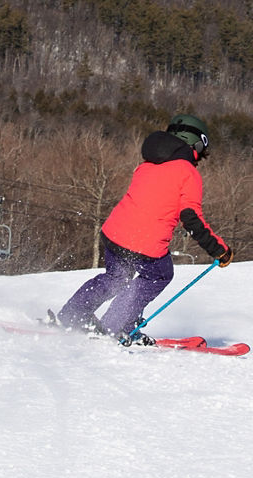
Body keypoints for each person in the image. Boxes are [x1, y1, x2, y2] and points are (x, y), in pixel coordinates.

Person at [55, 114, 231, 339]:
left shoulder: (147, 165)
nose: (199, 160)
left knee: (116, 277)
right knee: (159, 274)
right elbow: (191, 217)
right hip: (144, 244)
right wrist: (219, 250)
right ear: (196, 144)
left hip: (113, 234)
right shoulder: (188, 173)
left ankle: (71, 315)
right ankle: (114, 327)